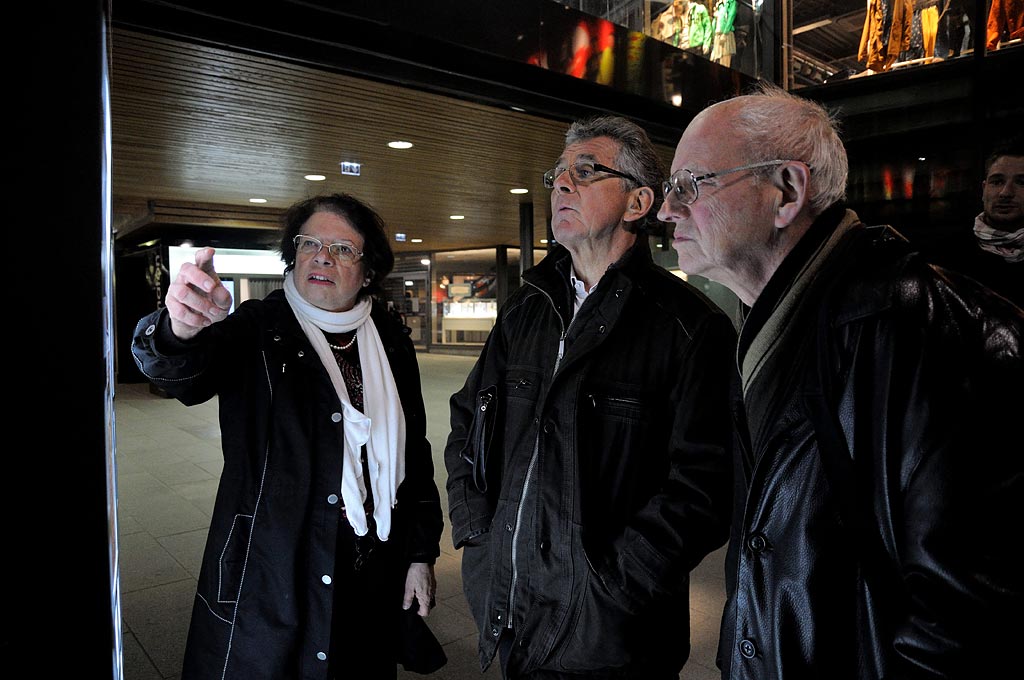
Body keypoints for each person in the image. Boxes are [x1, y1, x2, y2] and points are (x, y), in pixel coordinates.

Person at [657, 82, 1024, 678]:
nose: (666, 208)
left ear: (787, 192)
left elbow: (967, 621)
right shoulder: (777, 319)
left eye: (690, 185)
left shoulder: (922, 334)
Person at [444, 115, 737, 679]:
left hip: (614, 637)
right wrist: (474, 528)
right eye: (558, 172)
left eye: (586, 170)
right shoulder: (525, 310)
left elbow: (706, 484)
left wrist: (615, 582)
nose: (561, 184)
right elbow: (468, 421)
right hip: (510, 610)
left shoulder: (688, 327)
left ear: (638, 202)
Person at [131, 193, 445, 680]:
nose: (322, 255)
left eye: (343, 248)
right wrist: (178, 330)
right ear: (293, 254)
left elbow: (414, 453)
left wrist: (421, 553)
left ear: (367, 272)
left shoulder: (388, 339)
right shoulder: (259, 328)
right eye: (311, 243)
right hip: (275, 562)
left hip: (371, 564)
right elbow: (184, 375)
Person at [927, 137, 1023, 307]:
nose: (1005, 193)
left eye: (1022, 182)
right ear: (984, 189)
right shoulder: (947, 253)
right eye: (997, 182)